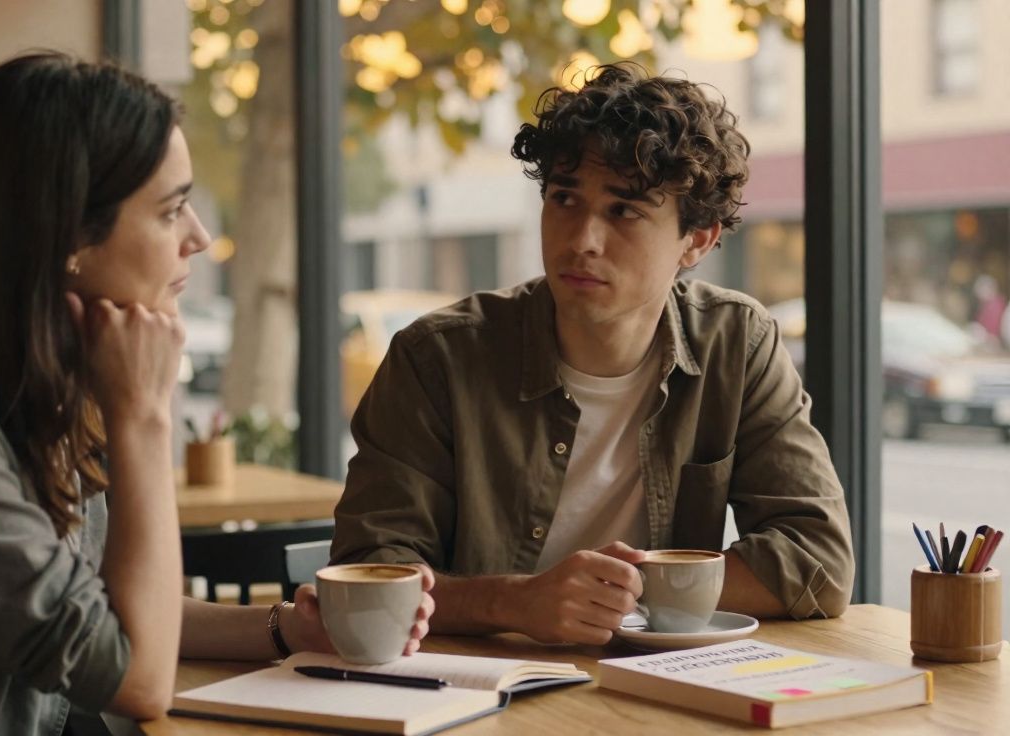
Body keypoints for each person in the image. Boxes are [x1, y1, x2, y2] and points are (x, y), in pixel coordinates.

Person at [0, 53, 432, 735]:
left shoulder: (37, 390)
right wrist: (144, 417)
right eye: (172, 209)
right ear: (68, 234)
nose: (199, 237)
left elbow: (108, 617)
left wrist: (287, 629)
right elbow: (136, 678)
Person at [330, 63, 853, 647]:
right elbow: (369, 568)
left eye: (624, 211)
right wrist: (513, 602)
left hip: (651, 677)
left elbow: (818, 561)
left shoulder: (737, 344)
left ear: (697, 240)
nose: (581, 240)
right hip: (477, 681)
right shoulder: (437, 358)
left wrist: (623, 590)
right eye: (564, 199)